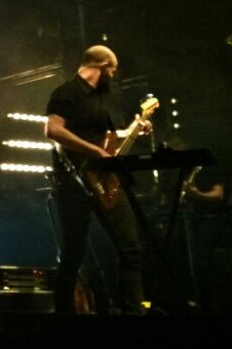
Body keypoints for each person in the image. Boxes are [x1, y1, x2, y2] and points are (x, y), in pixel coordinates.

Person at [44, 45, 152, 315]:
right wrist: (95, 151)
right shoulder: (66, 93)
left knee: (130, 248)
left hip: (107, 181)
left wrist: (135, 129)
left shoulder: (106, 99)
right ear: (102, 66)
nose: (113, 77)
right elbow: (52, 130)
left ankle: (133, 312)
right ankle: (64, 314)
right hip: (75, 182)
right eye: (112, 71)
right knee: (73, 252)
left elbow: (111, 139)